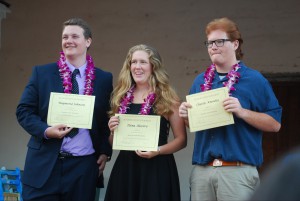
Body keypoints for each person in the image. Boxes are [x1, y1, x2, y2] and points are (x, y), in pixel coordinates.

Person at [178, 17, 282, 201]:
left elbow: (274, 124)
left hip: (237, 171)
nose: (213, 47)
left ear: (235, 44)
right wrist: (186, 116)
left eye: (219, 41)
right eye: (209, 43)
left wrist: (242, 112)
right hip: (202, 172)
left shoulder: (255, 80)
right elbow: (193, 125)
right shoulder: (200, 81)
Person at [16, 18, 113, 201]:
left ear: (88, 41)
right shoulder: (42, 73)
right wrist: (46, 130)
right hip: (44, 165)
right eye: (65, 36)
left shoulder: (103, 78)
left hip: (83, 168)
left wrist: (104, 151)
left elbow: (105, 120)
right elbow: (23, 111)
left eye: (75, 36)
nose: (68, 40)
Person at [104, 44, 187, 201]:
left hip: (157, 169)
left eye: (143, 62)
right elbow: (114, 142)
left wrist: (158, 150)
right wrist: (112, 130)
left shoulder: (168, 98)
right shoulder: (120, 98)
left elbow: (181, 140)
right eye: (133, 62)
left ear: (153, 66)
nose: (137, 67)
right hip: (127, 169)